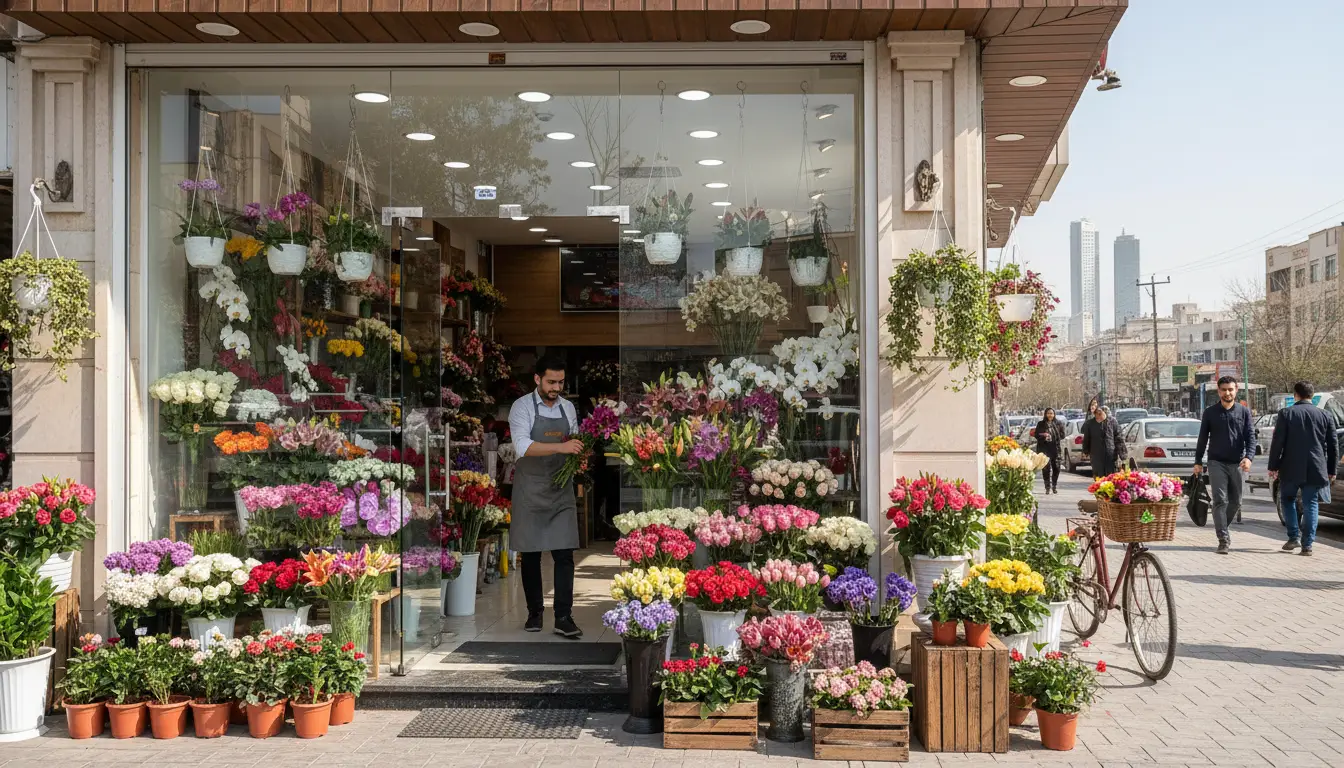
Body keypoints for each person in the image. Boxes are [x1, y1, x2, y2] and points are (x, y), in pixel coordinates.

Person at [507, 354, 585, 637]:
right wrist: (562, 448)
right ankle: (534, 613)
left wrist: (580, 458)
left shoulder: (568, 407)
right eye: (551, 382)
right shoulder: (521, 407)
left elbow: (575, 441)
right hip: (530, 488)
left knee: (564, 553)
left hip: (560, 489)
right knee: (530, 553)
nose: (556, 388)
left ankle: (564, 616)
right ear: (537, 379)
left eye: (561, 382)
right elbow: (522, 446)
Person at [1268, 381, 1339, 557]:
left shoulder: (1286, 413)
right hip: (1316, 466)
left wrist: (1273, 466)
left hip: (1290, 467)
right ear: (1312, 396)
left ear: (1295, 395)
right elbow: (1333, 446)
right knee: (1311, 503)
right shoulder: (1325, 415)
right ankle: (1307, 545)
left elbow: (1278, 442)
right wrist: (1332, 469)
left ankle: (1293, 537)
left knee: (1287, 499)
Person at [1193, 376, 1256, 555]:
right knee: (1220, 500)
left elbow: (1250, 437)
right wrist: (1198, 461)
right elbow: (1202, 439)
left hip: (1237, 462)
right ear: (1218, 391)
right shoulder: (1210, 413)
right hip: (1216, 462)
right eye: (1224, 390)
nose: (1227, 393)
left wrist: (1249, 457)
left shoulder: (1244, 412)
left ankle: (1221, 526)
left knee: (1236, 502)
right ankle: (1223, 539)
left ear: (1236, 390)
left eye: (1230, 389)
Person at [1081, 405, 1127, 476]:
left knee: (1109, 476)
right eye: (1098, 414)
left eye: (1101, 414)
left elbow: (1119, 438)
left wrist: (1122, 455)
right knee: (1101, 477)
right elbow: (1086, 438)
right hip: (1098, 456)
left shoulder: (1112, 422)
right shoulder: (1090, 423)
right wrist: (1085, 451)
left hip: (1109, 455)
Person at [1034, 407, 1065, 494]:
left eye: (1051, 413)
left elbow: (1063, 435)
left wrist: (1054, 435)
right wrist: (1044, 435)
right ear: (1045, 414)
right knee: (1046, 468)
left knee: (1057, 467)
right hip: (1044, 448)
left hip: (1055, 448)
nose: (1050, 415)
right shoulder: (1041, 424)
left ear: (1054, 414)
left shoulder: (1058, 423)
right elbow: (1036, 435)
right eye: (1048, 413)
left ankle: (1054, 485)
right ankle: (1047, 487)